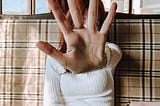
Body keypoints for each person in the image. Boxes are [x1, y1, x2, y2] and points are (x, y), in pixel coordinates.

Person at [36, 0, 122, 106]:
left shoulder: (108, 53)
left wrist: (100, 60)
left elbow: (115, 53)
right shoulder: (56, 59)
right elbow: (52, 102)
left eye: (97, 23)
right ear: (71, 22)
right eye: (84, 19)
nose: (87, 28)